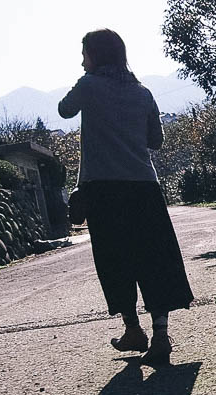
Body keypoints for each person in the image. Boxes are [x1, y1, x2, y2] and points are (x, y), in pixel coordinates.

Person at [59, 29, 193, 364]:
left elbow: (64, 110)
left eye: (84, 53)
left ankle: (133, 330)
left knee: (115, 261)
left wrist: (88, 83)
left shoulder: (87, 86)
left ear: (96, 55)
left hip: (104, 190)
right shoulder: (143, 92)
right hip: (144, 188)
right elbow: (156, 141)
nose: (81, 60)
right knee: (153, 260)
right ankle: (160, 333)